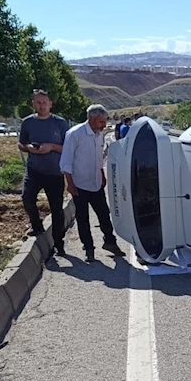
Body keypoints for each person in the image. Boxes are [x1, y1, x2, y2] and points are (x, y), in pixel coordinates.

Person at [59, 104, 126, 262]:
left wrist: (101, 175)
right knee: (83, 219)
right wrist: (70, 183)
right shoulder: (75, 134)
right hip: (79, 184)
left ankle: (110, 242)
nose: (104, 125)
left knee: (104, 214)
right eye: (101, 122)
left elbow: (98, 158)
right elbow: (66, 161)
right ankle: (89, 249)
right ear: (91, 119)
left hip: (95, 183)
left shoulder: (99, 134)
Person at [18, 89, 69, 256]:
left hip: (55, 172)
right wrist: (29, 148)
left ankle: (59, 242)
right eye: (38, 103)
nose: (41, 106)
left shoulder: (60, 123)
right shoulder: (27, 123)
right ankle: (38, 228)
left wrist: (52, 147)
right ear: (33, 104)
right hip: (34, 170)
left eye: (44, 103)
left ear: (50, 104)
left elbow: (68, 148)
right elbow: (21, 144)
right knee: (27, 198)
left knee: (57, 209)